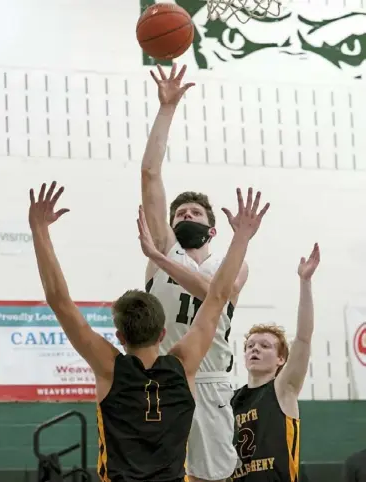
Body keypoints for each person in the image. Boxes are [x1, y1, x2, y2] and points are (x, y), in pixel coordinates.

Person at [28, 181, 269, 482]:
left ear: (119, 337)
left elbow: (58, 300)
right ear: (163, 334)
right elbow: (217, 298)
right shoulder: (184, 365)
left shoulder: (109, 369)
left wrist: (38, 230)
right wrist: (242, 237)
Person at [141, 62, 254, 482]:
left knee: (214, 477)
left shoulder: (234, 263)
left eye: (194, 212)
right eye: (179, 212)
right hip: (164, 378)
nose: (184, 215)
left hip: (212, 384)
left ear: (212, 227)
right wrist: (167, 109)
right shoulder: (163, 246)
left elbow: (216, 294)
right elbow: (150, 175)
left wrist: (166, 260)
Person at [230, 243, 321, 482]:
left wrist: (305, 282)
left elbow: (303, 337)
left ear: (281, 359)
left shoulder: (283, 389)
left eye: (265, 345)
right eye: (250, 346)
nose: (255, 349)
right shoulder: (229, 400)